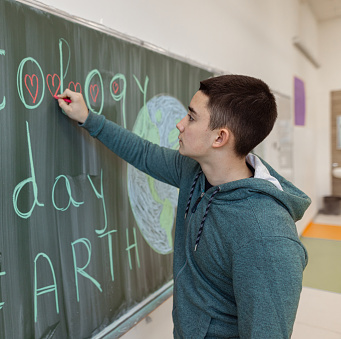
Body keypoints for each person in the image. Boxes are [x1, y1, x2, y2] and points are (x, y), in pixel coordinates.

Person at [56, 74, 311, 338]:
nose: (180, 124)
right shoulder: (196, 172)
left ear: (220, 138)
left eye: (191, 117)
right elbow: (143, 153)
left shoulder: (266, 238)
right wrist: (88, 118)